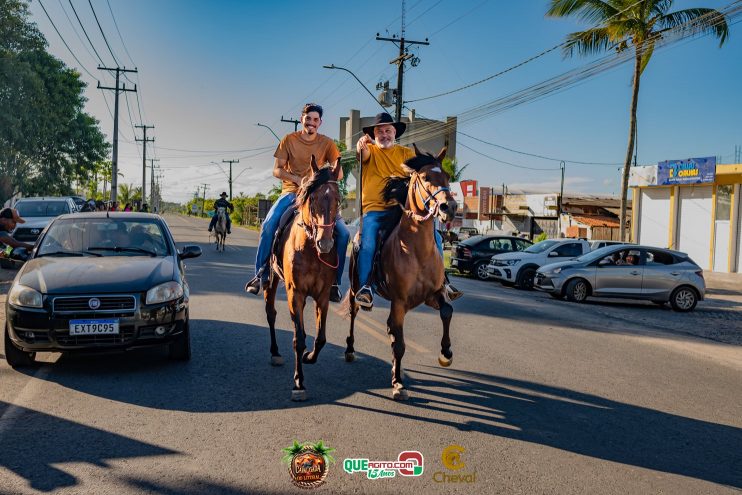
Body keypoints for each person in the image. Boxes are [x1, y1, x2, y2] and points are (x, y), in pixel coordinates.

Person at [354, 112, 462, 309]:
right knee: (368, 242)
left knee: (435, 236)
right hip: (375, 210)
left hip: (403, 210)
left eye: (388, 130)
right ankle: (365, 288)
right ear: (373, 134)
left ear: (395, 132)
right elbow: (363, 155)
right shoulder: (369, 151)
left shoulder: (405, 154)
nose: (384, 135)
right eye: (380, 131)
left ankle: (442, 283)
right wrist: (361, 144)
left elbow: (422, 175)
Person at [244, 103, 350, 302]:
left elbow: (340, 173)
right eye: (308, 118)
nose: (311, 122)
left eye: (315, 120)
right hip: (292, 193)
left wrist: (323, 176)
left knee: (344, 233)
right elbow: (277, 170)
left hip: (317, 195)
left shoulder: (327, 143)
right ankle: (260, 274)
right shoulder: (288, 140)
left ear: (320, 123)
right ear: (302, 119)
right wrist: (297, 179)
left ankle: (335, 282)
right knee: (268, 225)